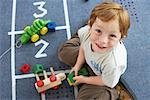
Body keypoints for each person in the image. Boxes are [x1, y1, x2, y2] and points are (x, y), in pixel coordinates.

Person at [58, 2, 131, 100]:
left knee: (88, 97)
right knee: (63, 52)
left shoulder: (113, 63)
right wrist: (78, 65)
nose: (103, 41)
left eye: (112, 36)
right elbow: (83, 48)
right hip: (90, 60)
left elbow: (105, 81)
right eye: (98, 31)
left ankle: (114, 92)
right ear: (90, 26)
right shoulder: (87, 33)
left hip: (103, 77)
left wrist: (84, 79)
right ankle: (93, 27)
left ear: (121, 38)